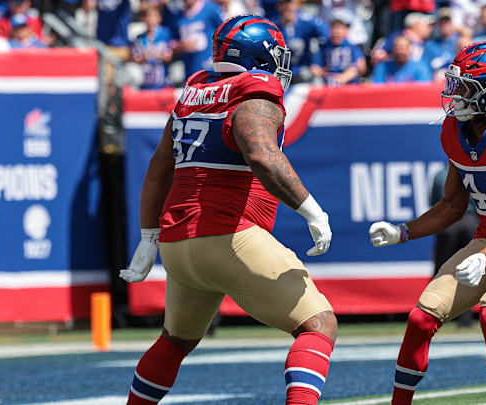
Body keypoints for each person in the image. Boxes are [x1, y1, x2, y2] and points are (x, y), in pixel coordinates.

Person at [120, 15, 337, 405]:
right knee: (318, 324)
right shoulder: (255, 91)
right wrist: (312, 211)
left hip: (178, 245)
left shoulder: (193, 91)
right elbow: (262, 157)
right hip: (227, 236)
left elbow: (157, 170)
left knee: (174, 342)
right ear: (259, 56)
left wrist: (148, 237)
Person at [369, 41, 486, 405]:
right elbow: (453, 205)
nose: (455, 93)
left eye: (466, 87)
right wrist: (402, 231)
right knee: (420, 319)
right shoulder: (454, 131)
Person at [429, 163, 478, 328]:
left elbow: (434, 202)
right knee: (467, 270)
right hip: (470, 221)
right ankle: (465, 320)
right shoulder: (470, 171)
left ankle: (434, 315)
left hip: (448, 222)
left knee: (442, 270)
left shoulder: (441, 175)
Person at [163, 0, 224, 79]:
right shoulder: (178, 17)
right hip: (190, 68)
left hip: (210, 65)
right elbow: (171, 43)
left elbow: (225, 31)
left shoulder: (211, 9)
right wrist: (182, 45)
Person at [276, 0, 329, 83]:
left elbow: (325, 37)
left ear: (296, 4)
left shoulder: (308, 22)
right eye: (282, 3)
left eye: (289, 3)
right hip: (282, 73)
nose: (286, 6)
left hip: (305, 71)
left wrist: (317, 62)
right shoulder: (274, 26)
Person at [311, 10, 366, 85]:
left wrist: (344, 76)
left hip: (348, 86)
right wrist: (321, 72)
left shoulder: (352, 47)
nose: (336, 32)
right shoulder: (323, 47)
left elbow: (361, 67)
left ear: (346, 30)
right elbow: (315, 67)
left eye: (340, 28)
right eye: (334, 28)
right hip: (327, 85)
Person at [131, 7, 172, 89]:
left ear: (159, 18)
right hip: (146, 81)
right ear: (143, 19)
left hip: (162, 81)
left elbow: (169, 56)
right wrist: (144, 58)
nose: (151, 20)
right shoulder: (140, 38)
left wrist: (160, 56)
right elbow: (136, 58)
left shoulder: (165, 34)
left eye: (153, 17)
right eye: (148, 17)